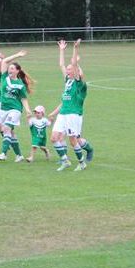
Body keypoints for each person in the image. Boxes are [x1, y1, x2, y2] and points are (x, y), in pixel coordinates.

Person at [49, 40, 94, 171]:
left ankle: (81, 163)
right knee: (54, 138)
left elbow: (74, 64)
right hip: (63, 113)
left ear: (76, 71)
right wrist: (62, 50)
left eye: (71, 69)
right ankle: (65, 161)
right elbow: (61, 65)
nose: (68, 71)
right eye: (68, 70)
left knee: (73, 140)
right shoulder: (67, 81)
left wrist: (75, 49)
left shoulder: (79, 84)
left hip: (73, 114)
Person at [0, 50, 32, 162]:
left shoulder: (20, 84)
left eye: (12, 68)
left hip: (15, 109)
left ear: (17, 71)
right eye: (9, 68)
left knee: (6, 129)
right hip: (3, 109)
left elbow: (23, 99)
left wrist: (28, 110)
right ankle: (19, 155)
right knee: (10, 132)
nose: (10, 70)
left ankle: (3, 153)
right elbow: (4, 61)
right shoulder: (4, 77)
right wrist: (18, 55)